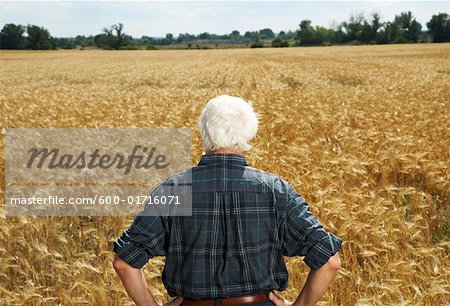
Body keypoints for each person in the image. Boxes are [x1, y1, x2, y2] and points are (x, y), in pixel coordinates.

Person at [113, 95, 343, 306]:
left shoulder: (173, 189)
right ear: (249, 132)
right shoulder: (275, 190)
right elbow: (329, 261)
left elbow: (124, 263)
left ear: (204, 132)